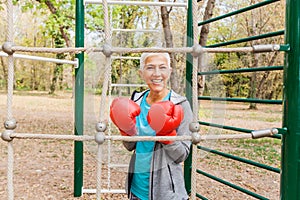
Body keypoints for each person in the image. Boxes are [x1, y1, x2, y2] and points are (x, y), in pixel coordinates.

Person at [110, 52, 193, 200]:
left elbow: (181, 155)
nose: (157, 74)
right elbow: (130, 146)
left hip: (167, 193)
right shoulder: (136, 100)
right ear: (141, 73)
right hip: (136, 188)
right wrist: (124, 130)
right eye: (150, 68)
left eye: (162, 67)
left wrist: (166, 134)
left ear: (169, 71)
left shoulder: (180, 104)